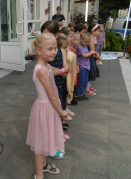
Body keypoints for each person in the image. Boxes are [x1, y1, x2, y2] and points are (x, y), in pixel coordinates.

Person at [26, 33, 68, 179]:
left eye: (55, 48)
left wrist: (63, 70)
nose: (54, 51)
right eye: (50, 49)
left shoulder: (46, 66)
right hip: (46, 108)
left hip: (48, 108)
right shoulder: (41, 70)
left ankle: (43, 166)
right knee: (40, 144)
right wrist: (62, 111)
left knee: (44, 140)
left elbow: (53, 71)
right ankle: (39, 175)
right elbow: (51, 95)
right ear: (38, 51)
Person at [75, 31, 93, 101]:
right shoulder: (79, 47)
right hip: (82, 66)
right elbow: (84, 55)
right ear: (81, 39)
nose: (87, 43)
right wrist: (91, 53)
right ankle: (78, 94)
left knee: (85, 81)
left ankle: (82, 92)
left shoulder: (85, 46)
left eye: (88, 42)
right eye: (86, 41)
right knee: (81, 81)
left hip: (87, 66)